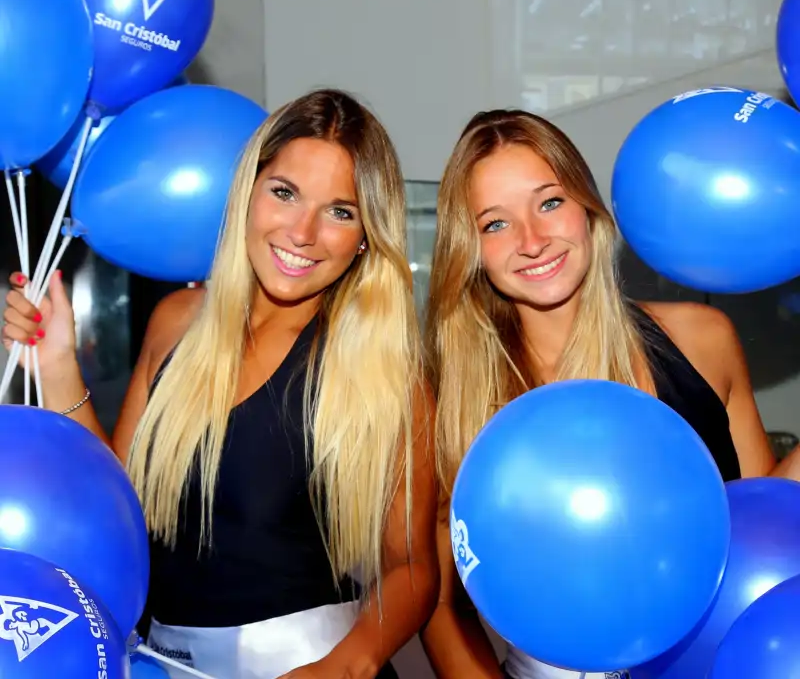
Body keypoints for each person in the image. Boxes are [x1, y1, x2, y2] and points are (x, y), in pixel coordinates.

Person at [2, 89, 438, 679]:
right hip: (157, 659)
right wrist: (57, 364)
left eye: (340, 211)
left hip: (307, 664)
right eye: (285, 193)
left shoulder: (382, 369)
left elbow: (411, 566)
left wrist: (346, 666)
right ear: (248, 194)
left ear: (366, 234)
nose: (303, 232)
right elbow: (120, 506)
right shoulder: (177, 322)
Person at [418, 109, 800, 679]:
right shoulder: (451, 394)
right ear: (469, 248)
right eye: (495, 224)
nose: (532, 241)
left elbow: (762, 520)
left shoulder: (700, 339)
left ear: (587, 207)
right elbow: (441, 602)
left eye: (549, 203)